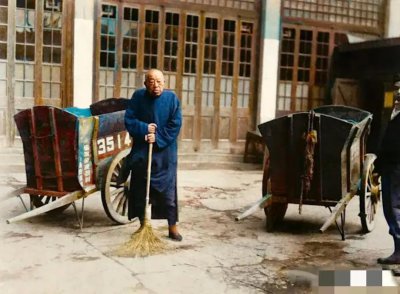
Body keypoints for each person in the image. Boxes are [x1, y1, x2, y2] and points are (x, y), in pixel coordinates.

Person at [124, 69, 183, 241]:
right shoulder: (138, 97)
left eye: (159, 82)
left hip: (165, 153)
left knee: (168, 193)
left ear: (164, 83)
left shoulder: (172, 99)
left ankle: (173, 227)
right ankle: (143, 225)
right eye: (151, 82)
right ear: (145, 84)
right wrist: (144, 129)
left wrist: (157, 137)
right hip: (143, 150)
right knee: (142, 189)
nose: (155, 86)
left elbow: (175, 123)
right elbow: (129, 119)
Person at [374, 81, 400, 264]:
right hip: (392, 165)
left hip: (395, 167)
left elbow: (393, 146)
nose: (397, 94)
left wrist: (382, 165)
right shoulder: (396, 113)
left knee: (393, 208)